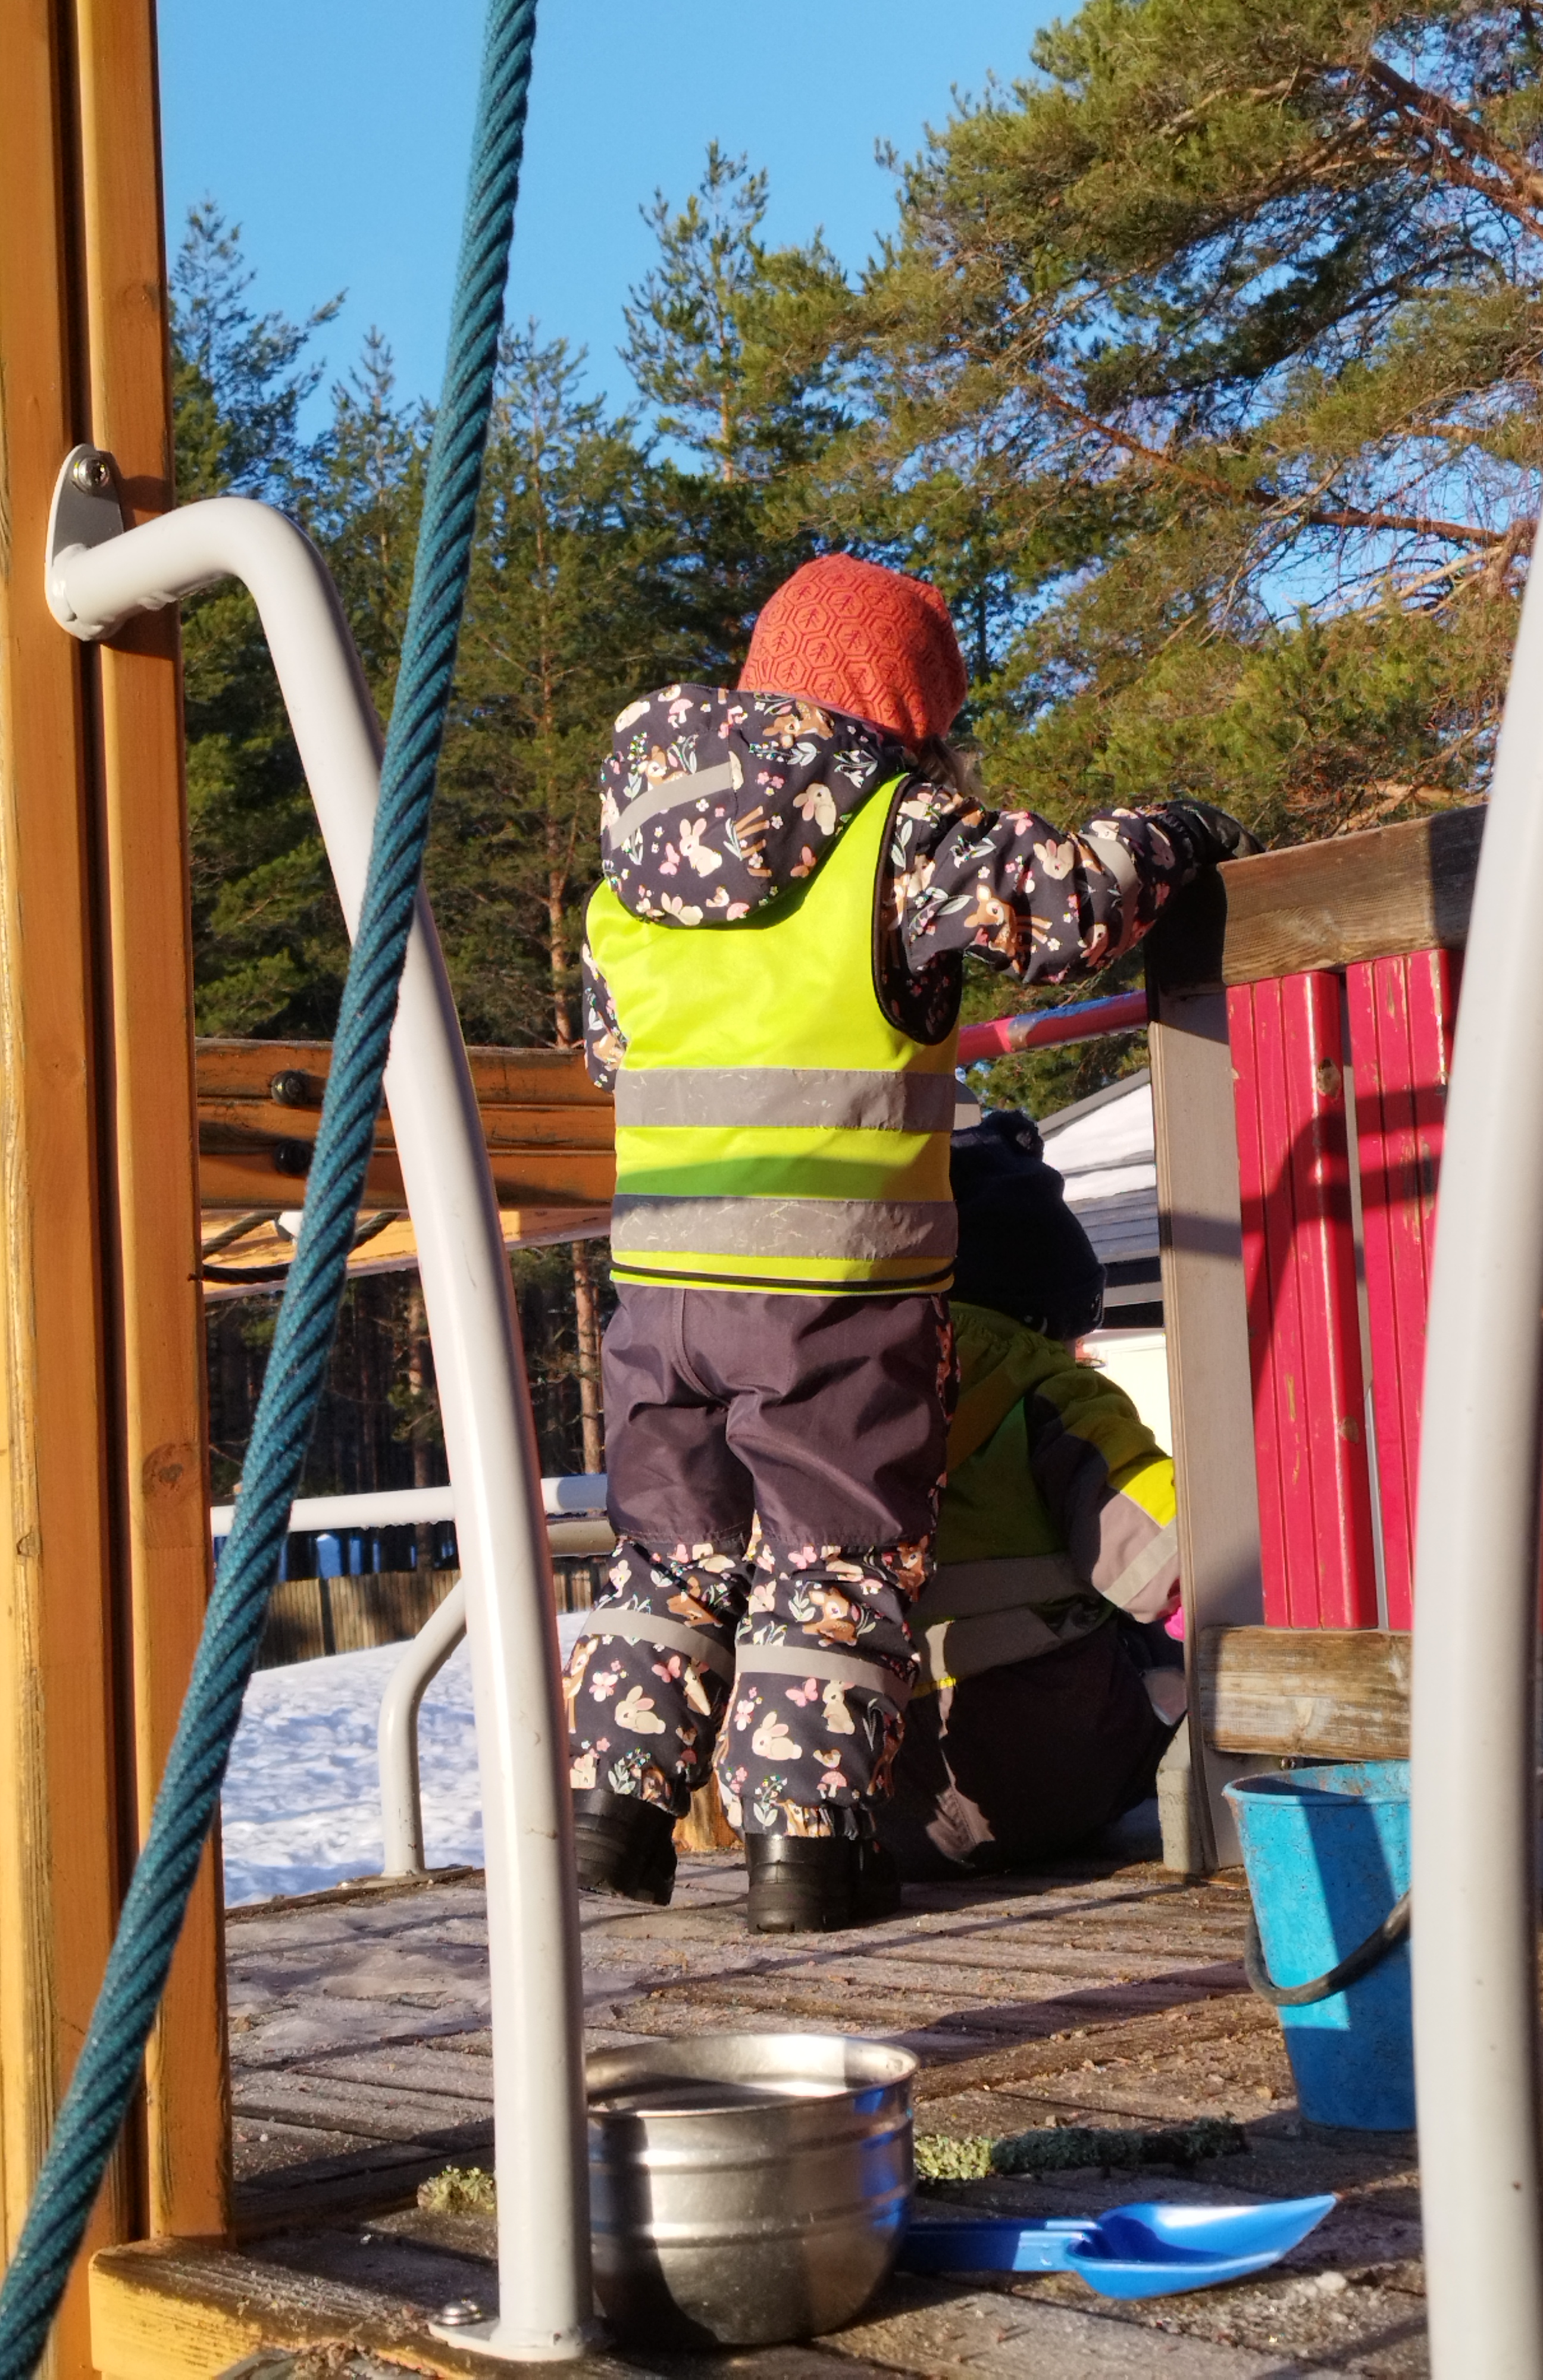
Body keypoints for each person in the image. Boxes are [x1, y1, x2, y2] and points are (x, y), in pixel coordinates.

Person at [562, 552, 1251, 1934]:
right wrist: (1181, 829)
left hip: (662, 1285)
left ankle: (611, 1819)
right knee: (830, 1564)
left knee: (671, 1550)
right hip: (831, 1287)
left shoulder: (638, 863)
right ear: (902, 704)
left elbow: (607, 1049)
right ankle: (808, 1859)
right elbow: (1065, 904)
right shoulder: (893, 826)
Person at [878, 1106, 1184, 1877]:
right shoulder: (1055, 1392)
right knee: (1159, 1646)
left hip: (886, 1802)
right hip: (1042, 1779)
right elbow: (1160, 1563)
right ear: (1054, 1308)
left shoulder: (855, 1396)